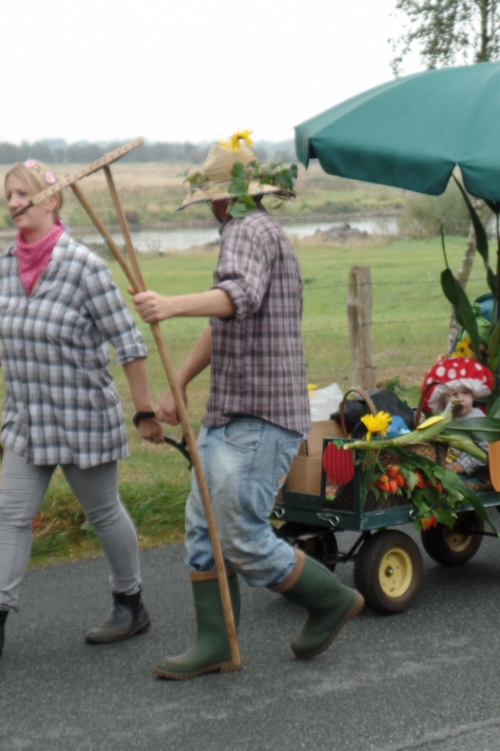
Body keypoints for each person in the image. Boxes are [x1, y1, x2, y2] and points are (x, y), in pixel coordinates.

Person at [132, 135, 363, 680]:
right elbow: (228, 320)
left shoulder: (245, 230)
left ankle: (330, 600)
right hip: (234, 415)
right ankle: (216, 643)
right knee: (204, 531)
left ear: (221, 196)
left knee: (238, 535)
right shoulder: (260, 231)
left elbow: (238, 296)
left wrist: (170, 305)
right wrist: (180, 381)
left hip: (257, 419)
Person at [0, 159, 164, 657]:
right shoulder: (7, 263)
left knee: (103, 512)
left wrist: (144, 412)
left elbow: (129, 343)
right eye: (8, 195)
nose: (13, 203)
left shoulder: (84, 266)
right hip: (27, 417)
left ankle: (130, 604)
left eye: (23, 194)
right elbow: (19, 328)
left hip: (81, 417)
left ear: (52, 201)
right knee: (12, 515)